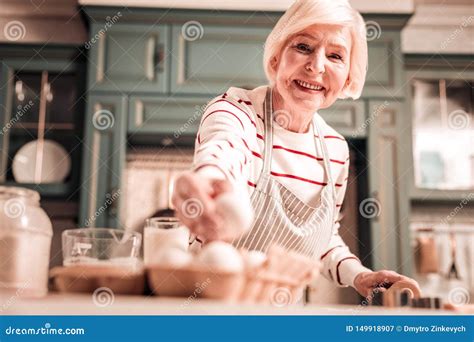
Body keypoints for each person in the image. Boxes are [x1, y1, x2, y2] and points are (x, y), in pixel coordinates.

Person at [172, 0, 419, 298]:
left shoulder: (335, 150)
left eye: (335, 55)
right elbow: (222, 150)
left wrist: (361, 276)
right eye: (303, 47)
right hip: (210, 310)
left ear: (348, 77)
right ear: (276, 58)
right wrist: (209, 181)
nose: (316, 66)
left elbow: (325, 239)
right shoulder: (236, 111)